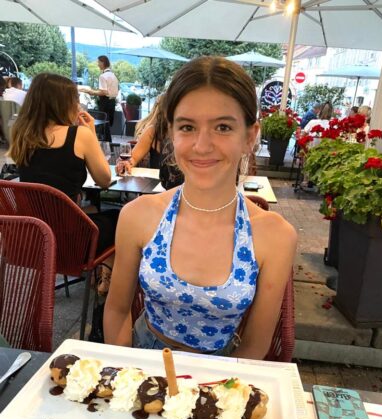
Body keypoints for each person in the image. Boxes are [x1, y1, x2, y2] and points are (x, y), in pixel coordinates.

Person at [104, 56, 297, 359]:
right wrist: (126, 376)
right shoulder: (138, 216)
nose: (202, 145)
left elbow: (254, 345)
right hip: (144, 361)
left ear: (249, 136)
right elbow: (116, 311)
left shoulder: (275, 236)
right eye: (187, 127)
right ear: (171, 132)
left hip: (220, 372)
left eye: (222, 127)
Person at [8, 72, 119, 295]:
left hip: (32, 240)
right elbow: (104, 180)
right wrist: (91, 134)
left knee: (92, 212)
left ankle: (103, 271)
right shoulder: (79, 135)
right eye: (74, 99)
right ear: (62, 102)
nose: (78, 104)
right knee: (121, 218)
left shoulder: (21, 134)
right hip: (71, 243)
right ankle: (106, 272)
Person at [116, 94, 184, 189]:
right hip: (156, 191)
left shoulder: (189, 135)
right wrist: (126, 163)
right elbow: (133, 158)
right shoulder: (153, 131)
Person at [79, 56, 119, 142]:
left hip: (105, 101)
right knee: (107, 123)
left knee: (103, 123)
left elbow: (103, 92)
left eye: (98, 62)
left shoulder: (103, 76)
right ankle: (108, 144)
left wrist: (91, 92)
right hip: (112, 102)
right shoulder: (113, 75)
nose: (97, 64)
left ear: (102, 63)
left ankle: (103, 144)